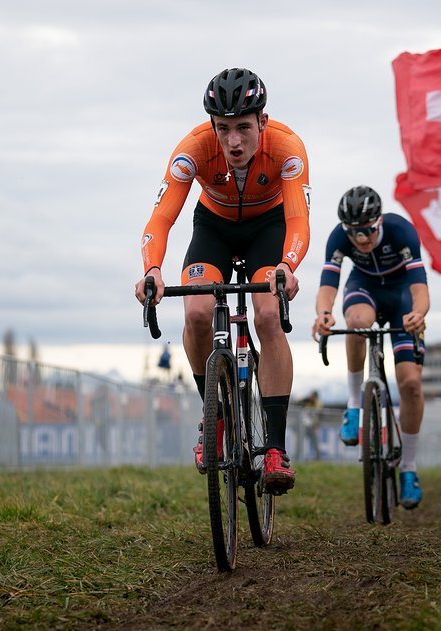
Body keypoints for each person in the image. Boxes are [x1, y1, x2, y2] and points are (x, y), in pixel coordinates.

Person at [133, 67, 310, 494]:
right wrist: (152, 269)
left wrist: (287, 265)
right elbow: (161, 216)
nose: (233, 141)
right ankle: (214, 417)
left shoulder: (287, 148)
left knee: (268, 315)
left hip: (268, 229)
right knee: (195, 311)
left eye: (244, 128)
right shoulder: (192, 149)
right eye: (224, 128)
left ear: (262, 122)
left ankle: (274, 448)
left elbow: (298, 220)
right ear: (212, 125)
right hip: (213, 226)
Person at [312, 185, 429, 508]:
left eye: (367, 230)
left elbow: (420, 289)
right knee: (358, 321)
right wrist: (323, 314)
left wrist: (419, 314)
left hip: (401, 295)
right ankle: (354, 406)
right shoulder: (338, 237)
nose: (361, 239)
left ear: (379, 221)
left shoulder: (401, 230)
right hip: (364, 288)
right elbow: (328, 285)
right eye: (353, 232)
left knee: (410, 384)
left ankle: (408, 467)